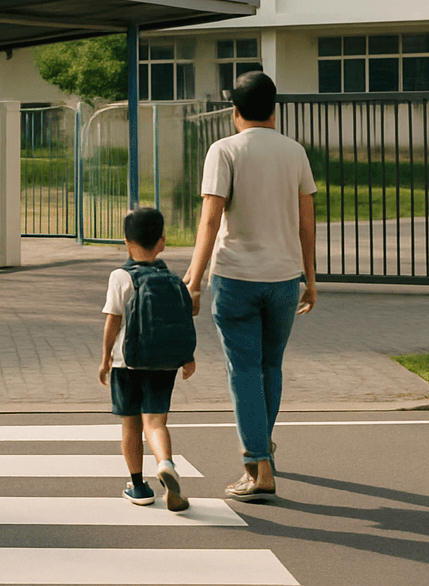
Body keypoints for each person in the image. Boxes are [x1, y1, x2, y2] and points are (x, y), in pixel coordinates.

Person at [184, 71, 317, 503]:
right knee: (270, 367)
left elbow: (210, 218)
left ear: (235, 111)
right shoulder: (294, 152)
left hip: (236, 278)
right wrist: (310, 278)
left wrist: (195, 279)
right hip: (283, 279)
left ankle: (257, 468)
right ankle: (264, 453)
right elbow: (306, 222)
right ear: (274, 109)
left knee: (243, 370)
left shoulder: (224, 150)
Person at [98, 206, 197, 512]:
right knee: (155, 422)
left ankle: (138, 486)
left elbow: (112, 322)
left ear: (126, 242)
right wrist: (187, 358)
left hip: (126, 363)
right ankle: (166, 463)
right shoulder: (172, 279)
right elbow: (183, 318)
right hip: (164, 362)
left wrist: (104, 359)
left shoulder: (120, 277)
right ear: (162, 242)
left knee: (131, 425)